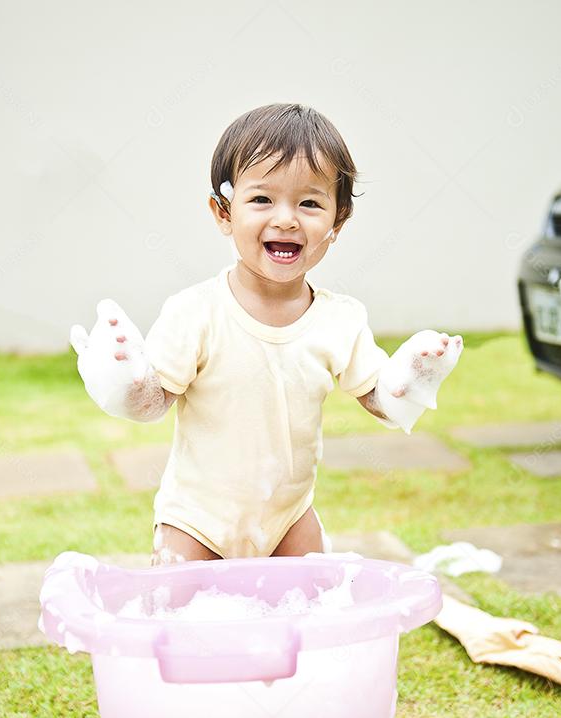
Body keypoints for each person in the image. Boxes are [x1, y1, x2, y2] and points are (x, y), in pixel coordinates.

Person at [69, 103, 462, 566]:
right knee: (183, 617)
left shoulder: (341, 320)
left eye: (310, 203)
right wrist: (126, 384)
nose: (287, 219)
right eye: (261, 200)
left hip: (289, 515)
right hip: (196, 518)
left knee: (307, 613)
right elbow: (154, 402)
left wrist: (412, 376)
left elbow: (380, 399)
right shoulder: (196, 312)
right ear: (223, 213)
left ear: (337, 224)